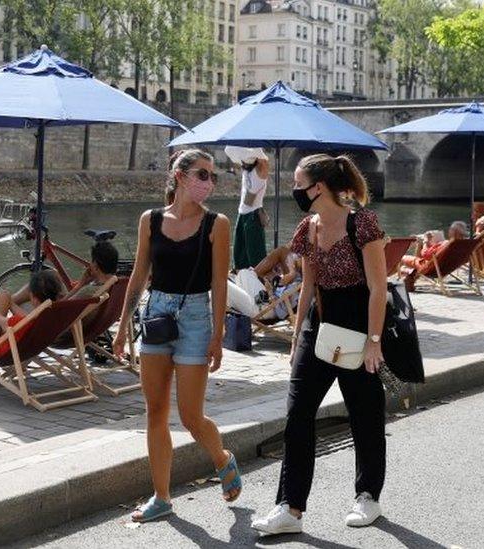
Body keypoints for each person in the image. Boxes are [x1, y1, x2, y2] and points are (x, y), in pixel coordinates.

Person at [252, 154, 389, 535]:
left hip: (359, 324)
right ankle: (290, 509)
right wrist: (297, 337)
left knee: (365, 413)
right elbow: (309, 286)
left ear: (318, 187)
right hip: (320, 323)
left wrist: (374, 340)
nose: (294, 189)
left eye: (298, 183)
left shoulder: (362, 224)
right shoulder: (307, 228)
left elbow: (378, 288)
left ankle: (368, 496)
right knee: (298, 414)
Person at [112, 148, 240, 523]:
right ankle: (162, 497)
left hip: (197, 319)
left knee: (190, 416)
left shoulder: (217, 223)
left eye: (212, 177)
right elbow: (138, 276)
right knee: (154, 411)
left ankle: (221, 458)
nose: (209, 183)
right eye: (203, 174)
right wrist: (122, 325)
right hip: (156, 316)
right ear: (179, 176)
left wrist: (218, 335)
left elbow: (219, 284)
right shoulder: (150, 220)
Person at [0, 270, 64, 364]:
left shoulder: (21, 320)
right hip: (16, 346)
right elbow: (24, 317)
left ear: (33, 298)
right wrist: (9, 302)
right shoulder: (48, 315)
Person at [226, 146, 270, 269]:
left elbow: (264, 160)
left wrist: (254, 147)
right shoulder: (247, 170)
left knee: (256, 256)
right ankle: (239, 276)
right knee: (239, 253)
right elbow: (228, 150)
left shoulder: (260, 170)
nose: (243, 162)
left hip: (254, 214)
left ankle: (260, 280)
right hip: (242, 214)